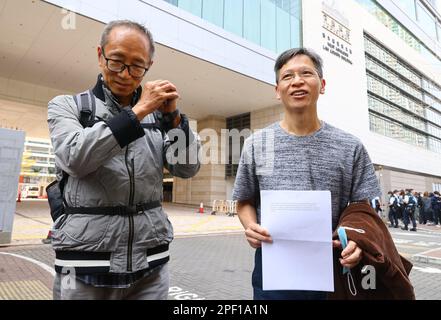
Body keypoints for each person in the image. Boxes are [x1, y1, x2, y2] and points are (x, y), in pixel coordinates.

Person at [47, 20, 201, 300]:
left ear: (149, 66)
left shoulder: (159, 115)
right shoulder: (66, 106)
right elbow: (75, 157)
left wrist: (174, 120)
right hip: (83, 264)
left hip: (151, 263)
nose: (126, 74)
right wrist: (138, 112)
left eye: (137, 66)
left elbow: (187, 167)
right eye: (116, 61)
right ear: (99, 55)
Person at [232, 48, 381, 300]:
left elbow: (364, 209)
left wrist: (357, 241)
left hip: (336, 269)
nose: (297, 81)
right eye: (287, 76)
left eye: (306, 73)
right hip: (273, 271)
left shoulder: (350, 146)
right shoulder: (257, 144)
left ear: (322, 85)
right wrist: (251, 227)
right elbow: (244, 200)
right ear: (277, 90)